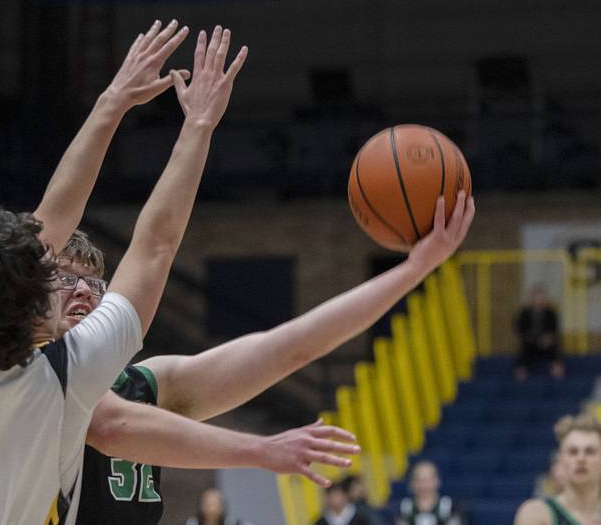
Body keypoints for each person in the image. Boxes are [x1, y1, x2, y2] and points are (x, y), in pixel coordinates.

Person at [0, 20, 347, 525]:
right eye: (54, 276)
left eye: (88, 283)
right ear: (26, 300)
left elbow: (50, 225)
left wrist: (114, 101)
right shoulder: (65, 372)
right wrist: (191, 125)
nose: (73, 289)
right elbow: (152, 246)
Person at [62, 186, 473, 524]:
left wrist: (413, 271)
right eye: (65, 278)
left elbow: (289, 348)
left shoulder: (145, 384)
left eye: (93, 283)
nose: (81, 290)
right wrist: (262, 451)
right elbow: (112, 425)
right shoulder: (36, 373)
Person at [514, 414, 601, 525]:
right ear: (561, 459)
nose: (581, 459)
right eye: (573, 452)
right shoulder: (536, 513)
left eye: (590, 451)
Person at [514, 285, 565, 382]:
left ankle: (557, 368)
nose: (538, 301)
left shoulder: (551, 313)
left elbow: (554, 330)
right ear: (532, 299)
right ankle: (521, 371)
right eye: (536, 298)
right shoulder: (524, 313)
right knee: (523, 348)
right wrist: (530, 337)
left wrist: (548, 338)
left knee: (555, 346)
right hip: (530, 343)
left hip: (547, 343)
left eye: (541, 298)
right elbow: (520, 329)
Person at [396, 461, 467, 525]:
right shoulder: (404, 508)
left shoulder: (451, 507)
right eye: (419, 480)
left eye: (427, 480)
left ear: (437, 481)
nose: (423, 485)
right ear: (411, 483)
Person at [185, 488, 252, 525]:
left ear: (222, 505)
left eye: (214, 503)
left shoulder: (235, 523)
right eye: (207, 503)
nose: (211, 507)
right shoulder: (192, 523)